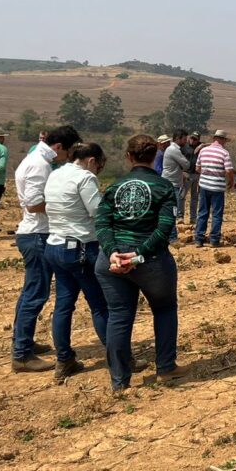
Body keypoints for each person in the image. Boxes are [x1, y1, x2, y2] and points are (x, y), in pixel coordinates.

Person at [95, 134, 184, 390]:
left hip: (111, 262)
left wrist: (113, 252)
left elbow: (102, 223)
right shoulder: (164, 187)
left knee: (119, 316)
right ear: (155, 155)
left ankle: (119, 381)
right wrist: (138, 255)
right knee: (165, 309)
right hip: (151, 262)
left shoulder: (114, 187)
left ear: (128, 157)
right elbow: (164, 228)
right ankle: (166, 368)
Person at [11, 125, 81, 372]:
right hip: (37, 234)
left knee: (30, 292)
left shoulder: (36, 159)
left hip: (35, 233)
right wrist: (63, 206)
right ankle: (21, 354)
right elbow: (33, 204)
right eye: (69, 151)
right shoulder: (40, 165)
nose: (68, 157)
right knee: (36, 294)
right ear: (59, 147)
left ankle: (23, 341)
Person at [43, 142, 116, 379]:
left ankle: (64, 359)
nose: (97, 171)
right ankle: (119, 358)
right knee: (100, 304)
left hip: (55, 245)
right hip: (81, 247)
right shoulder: (85, 178)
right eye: (99, 165)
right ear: (92, 161)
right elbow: (97, 211)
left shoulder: (55, 174)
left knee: (63, 305)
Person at [194, 129, 235, 247]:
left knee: (202, 212)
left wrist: (207, 173)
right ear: (223, 140)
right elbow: (228, 171)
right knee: (217, 214)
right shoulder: (224, 153)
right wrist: (230, 181)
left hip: (204, 186)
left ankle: (199, 239)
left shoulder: (203, 151)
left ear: (214, 139)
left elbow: (197, 168)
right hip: (217, 187)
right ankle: (214, 240)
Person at [161, 129, 191, 232]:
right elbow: (186, 165)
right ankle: (172, 236)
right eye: (184, 139)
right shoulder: (174, 150)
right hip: (171, 184)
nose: (185, 141)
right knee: (173, 210)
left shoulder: (172, 149)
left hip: (171, 182)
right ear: (178, 139)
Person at [182, 133, 201, 223]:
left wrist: (203, 145)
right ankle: (180, 216)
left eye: (195, 139)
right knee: (182, 196)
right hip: (186, 174)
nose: (193, 140)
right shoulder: (184, 147)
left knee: (195, 197)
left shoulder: (201, 147)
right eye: (192, 138)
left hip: (197, 175)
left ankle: (193, 218)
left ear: (198, 140)